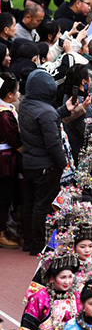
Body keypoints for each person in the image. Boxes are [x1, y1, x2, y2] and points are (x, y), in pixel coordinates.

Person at [19, 70, 77, 255]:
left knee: (29, 203)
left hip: (29, 163)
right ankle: (38, 245)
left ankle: (28, 241)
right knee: (42, 205)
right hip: (46, 166)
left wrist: (63, 110)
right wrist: (64, 165)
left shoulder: (25, 104)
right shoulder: (46, 111)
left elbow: (43, 121)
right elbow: (53, 144)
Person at [20, 247, 81, 330]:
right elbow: (27, 329)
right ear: (52, 278)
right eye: (63, 277)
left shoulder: (76, 296)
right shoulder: (39, 298)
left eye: (70, 277)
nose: (67, 282)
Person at [0, 72, 21, 249]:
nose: (19, 94)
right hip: (4, 160)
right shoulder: (4, 114)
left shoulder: (7, 109)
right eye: (17, 91)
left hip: (6, 156)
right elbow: (14, 139)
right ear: (9, 95)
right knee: (4, 196)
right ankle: (1, 233)